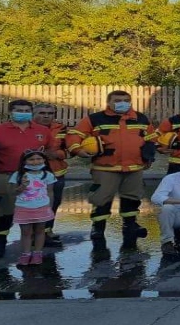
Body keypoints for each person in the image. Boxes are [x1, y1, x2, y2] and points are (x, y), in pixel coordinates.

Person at [67, 91, 157, 245]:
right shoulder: (95, 119)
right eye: (118, 100)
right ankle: (98, 228)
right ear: (109, 102)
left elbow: (150, 138)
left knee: (132, 197)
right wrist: (78, 150)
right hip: (105, 168)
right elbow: (75, 134)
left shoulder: (140, 118)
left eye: (126, 100)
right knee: (101, 199)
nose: (123, 102)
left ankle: (130, 225)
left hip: (134, 167)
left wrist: (149, 156)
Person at [0, 99, 55, 257]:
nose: (23, 113)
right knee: (4, 211)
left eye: (26, 111)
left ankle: (33, 245)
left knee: (35, 210)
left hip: (35, 177)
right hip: (6, 175)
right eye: (19, 110)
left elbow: (50, 150)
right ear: (10, 112)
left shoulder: (42, 130)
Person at [11, 150, 57, 266]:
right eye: (31, 159)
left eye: (38, 159)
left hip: (42, 207)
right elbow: (12, 193)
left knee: (40, 231)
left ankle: (37, 253)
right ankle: (26, 254)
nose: (35, 162)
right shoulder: (18, 175)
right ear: (24, 161)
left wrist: (50, 207)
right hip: (24, 207)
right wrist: (22, 186)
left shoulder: (48, 175)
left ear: (44, 160)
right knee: (26, 232)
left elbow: (50, 192)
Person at [32, 104, 69, 246]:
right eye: (41, 112)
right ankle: (33, 233)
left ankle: (47, 231)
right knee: (33, 204)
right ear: (33, 113)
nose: (46, 116)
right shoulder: (26, 128)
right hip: (32, 174)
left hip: (56, 172)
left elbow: (70, 149)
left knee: (53, 203)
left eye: (50, 113)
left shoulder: (61, 128)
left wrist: (56, 154)